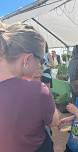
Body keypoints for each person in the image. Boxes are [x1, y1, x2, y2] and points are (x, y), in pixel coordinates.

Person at [0, 22, 59, 152]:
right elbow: (54, 121)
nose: (41, 65)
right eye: (40, 60)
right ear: (27, 59)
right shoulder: (37, 90)